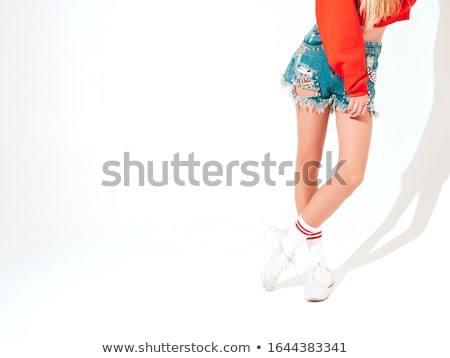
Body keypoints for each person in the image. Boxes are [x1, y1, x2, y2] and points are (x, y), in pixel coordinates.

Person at [260, 0, 417, 302]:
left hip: (361, 63)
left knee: (352, 172)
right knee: (310, 159)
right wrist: (356, 85)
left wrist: (358, 80)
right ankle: (317, 263)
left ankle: (286, 243)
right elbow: (335, 14)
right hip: (322, 56)